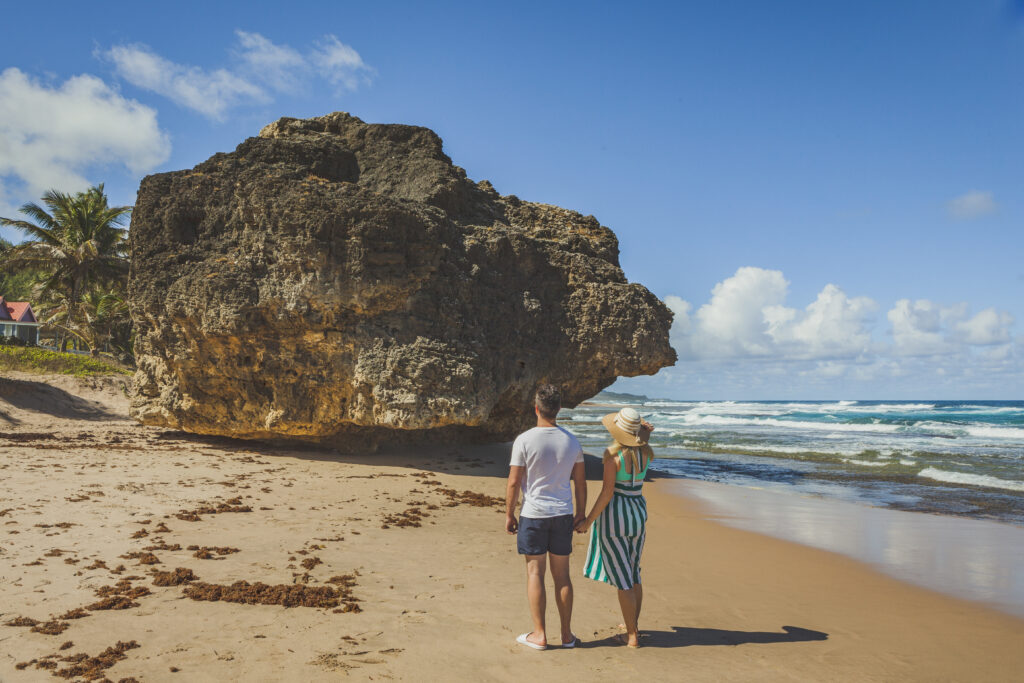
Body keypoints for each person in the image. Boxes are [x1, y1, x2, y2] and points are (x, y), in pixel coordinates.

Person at [505, 384, 586, 651]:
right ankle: (566, 635)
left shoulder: (524, 440)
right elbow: (580, 484)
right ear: (559, 409)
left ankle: (539, 635)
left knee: (535, 573)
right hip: (562, 514)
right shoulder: (572, 441)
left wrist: (509, 513)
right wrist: (581, 513)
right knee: (562, 576)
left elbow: (514, 482)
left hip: (534, 514)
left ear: (536, 408)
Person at [576, 406, 653, 649]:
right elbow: (638, 445)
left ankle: (631, 637)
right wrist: (644, 435)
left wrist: (588, 521)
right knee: (633, 572)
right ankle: (634, 625)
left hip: (616, 515)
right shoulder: (647, 453)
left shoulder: (612, 454)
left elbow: (608, 492)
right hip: (637, 512)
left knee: (623, 580)